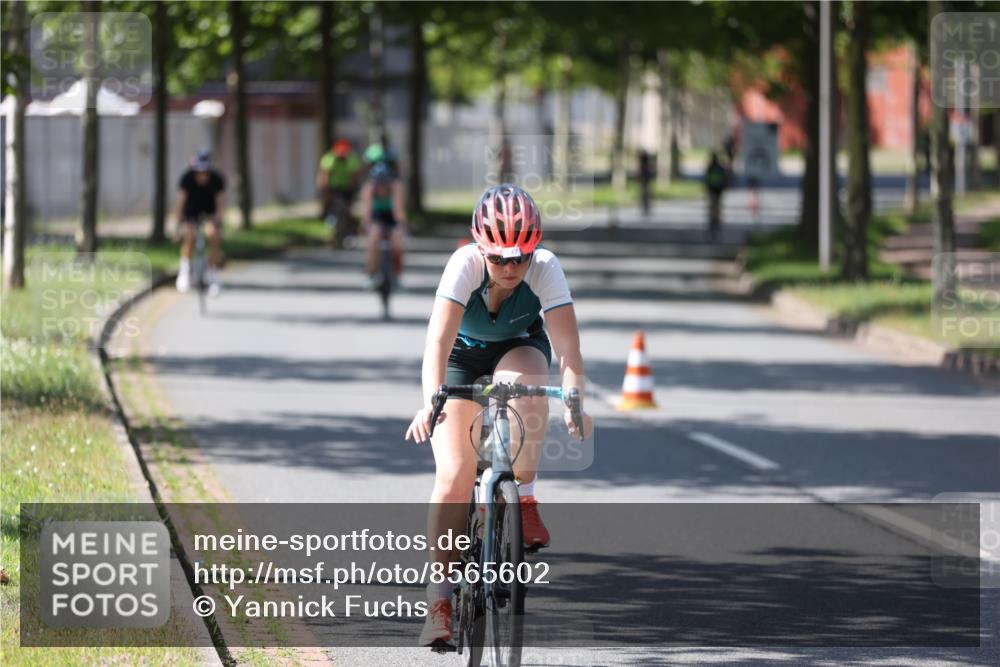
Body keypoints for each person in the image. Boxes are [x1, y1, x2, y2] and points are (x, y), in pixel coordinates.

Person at [404, 184, 593, 648]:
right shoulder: (463, 265)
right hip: (460, 357)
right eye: (499, 258)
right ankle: (439, 601)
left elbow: (569, 351)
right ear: (480, 249)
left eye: (520, 258)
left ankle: (524, 498)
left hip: (518, 347)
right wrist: (431, 402)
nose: (510, 268)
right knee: (455, 472)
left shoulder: (546, 267)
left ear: (534, 251)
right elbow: (437, 343)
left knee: (527, 394)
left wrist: (574, 402)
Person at [174, 150, 225, 295]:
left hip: (209, 212)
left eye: (205, 172)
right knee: (190, 237)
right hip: (191, 212)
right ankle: (184, 273)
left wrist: (219, 220)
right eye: (199, 171)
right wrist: (178, 225)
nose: (202, 175)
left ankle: (214, 276)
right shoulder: (187, 178)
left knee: (213, 236)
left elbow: (221, 203)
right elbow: (180, 202)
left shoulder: (217, 179)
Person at [359, 161, 407, 284]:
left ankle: (397, 276)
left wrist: (401, 227)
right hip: (377, 216)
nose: (382, 187)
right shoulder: (369, 189)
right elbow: (367, 211)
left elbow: (398, 211)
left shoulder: (395, 188)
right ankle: (371, 272)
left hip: (392, 216)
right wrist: (367, 226)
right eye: (379, 184)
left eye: (384, 184)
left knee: (397, 244)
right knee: (373, 238)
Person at [316, 139, 362, 246]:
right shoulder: (329, 158)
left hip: (347, 187)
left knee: (348, 211)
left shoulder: (351, 158)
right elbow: (324, 175)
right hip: (333, 187)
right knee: (330, 209)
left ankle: (349, 232)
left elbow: (354, 176)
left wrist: (354, 191)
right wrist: (325, 191)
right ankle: (330, 233)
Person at [704, 151, 728, 241]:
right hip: (718, 189)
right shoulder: (720, 167)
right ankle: (716, 219)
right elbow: (724, 178)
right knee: (717, 204)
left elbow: (707, 178)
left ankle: (713, 219)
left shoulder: (710, 167)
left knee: (712, 204)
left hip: (712, 189)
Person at [637, 150, 655, 218]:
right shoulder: (646, 166)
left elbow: (641, 175)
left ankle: (646, 209)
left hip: (645, 183)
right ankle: (646, 209)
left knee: (645, 197)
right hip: (646, 183)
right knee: (646, 197)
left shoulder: (644, 166)